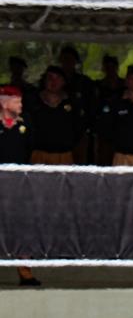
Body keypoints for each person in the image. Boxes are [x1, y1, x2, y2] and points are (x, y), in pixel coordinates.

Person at [0, 85, 41, 286]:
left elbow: (31, 147)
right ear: (4, 102)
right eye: (16, 101)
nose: (21, 105)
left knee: (21, 225)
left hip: (18, 181)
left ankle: (25, 272)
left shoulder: (27, 122)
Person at [29, 66, 83, 165]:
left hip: (64, 155)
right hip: (39, 154)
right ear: (44, 80)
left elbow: (79, 127)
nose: (53, 81)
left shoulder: (72, 102)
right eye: (50, 77)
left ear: (64, 81)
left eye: (57, 78)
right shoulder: (33, 100)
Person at [58, 46, 96, 164]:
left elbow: (92, 105)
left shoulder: (84, 82)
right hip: (60, 131)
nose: (67, 62)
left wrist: (89, 127)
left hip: (80, 131)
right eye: (64, 59)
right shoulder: (53, 80)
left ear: (75, 62)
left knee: (80, 165)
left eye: (70, 59)